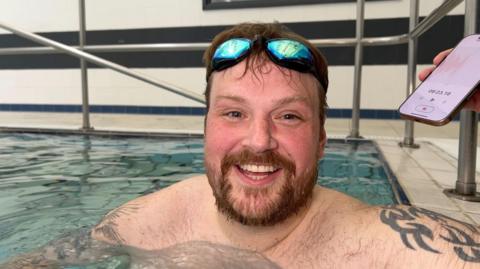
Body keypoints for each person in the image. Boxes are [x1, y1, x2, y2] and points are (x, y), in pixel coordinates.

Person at [4, 23, 480, 268]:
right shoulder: (143, 226)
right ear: (205, 129)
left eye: (288, 116)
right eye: (234, 113)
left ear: (320, 142)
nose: (259, 141)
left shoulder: (389, 246)